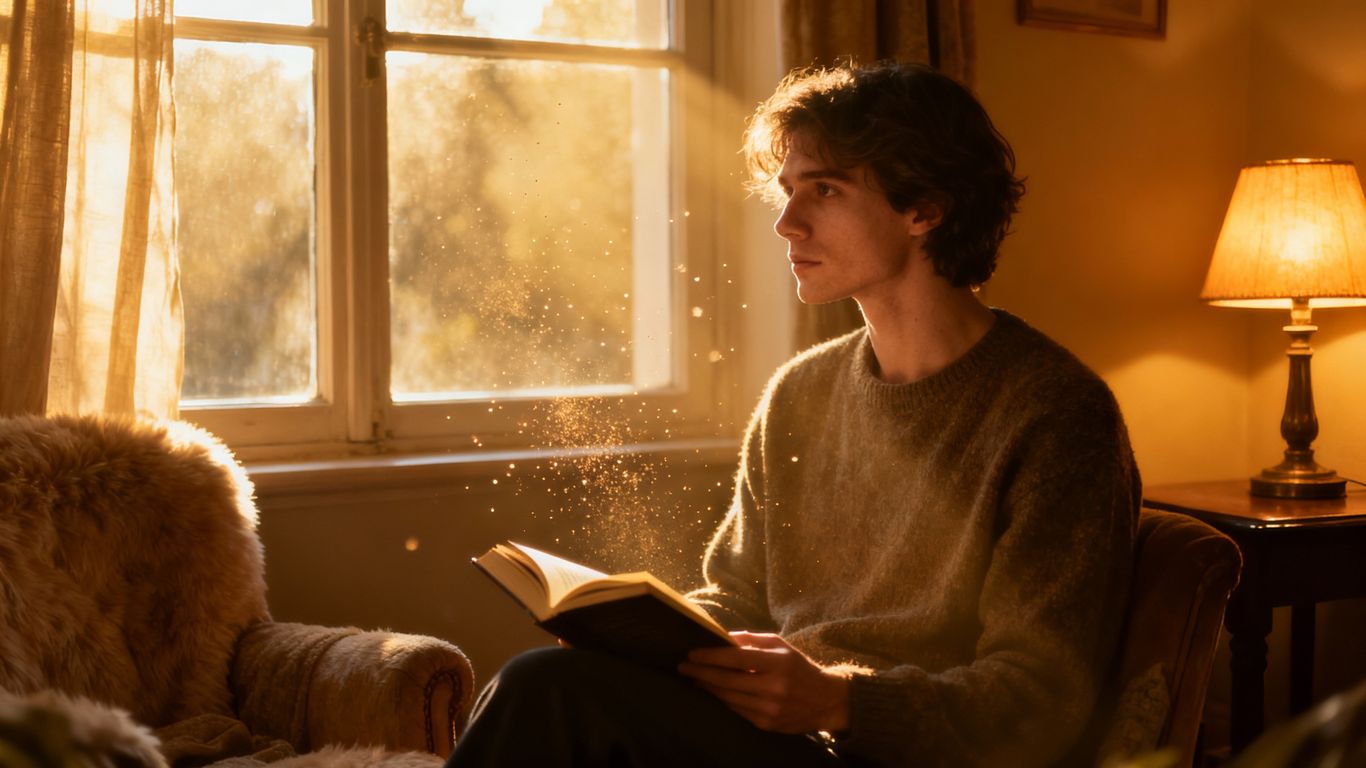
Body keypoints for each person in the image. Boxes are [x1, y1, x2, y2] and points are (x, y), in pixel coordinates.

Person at [445, 60, 1140, 768]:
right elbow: (739, 598)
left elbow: (1037, 704)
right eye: (786, 193)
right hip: (778, 735)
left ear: (924, 208)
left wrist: (840, 701)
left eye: (825, 190)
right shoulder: (800, 393)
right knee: (558, 682)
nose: (786, 223)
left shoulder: (1056, 413)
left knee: (548, 692)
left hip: (888, 753)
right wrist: (635, 640)